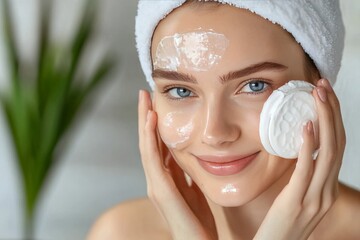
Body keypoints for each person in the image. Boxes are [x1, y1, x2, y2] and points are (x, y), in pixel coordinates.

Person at [88, 1, 360, 239]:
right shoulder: (120, 233)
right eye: (181, 91)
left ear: (318, 89)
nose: (214, 132)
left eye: (255, 85)